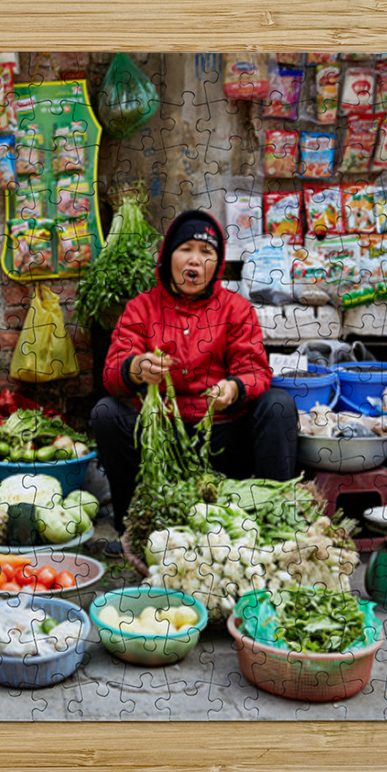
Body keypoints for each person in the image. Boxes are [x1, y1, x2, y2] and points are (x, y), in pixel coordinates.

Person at [92, 209, 298, 532]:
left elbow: (256, 371)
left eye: (206, 252)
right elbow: (112, 372)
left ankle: (276, 522)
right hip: (161, 440)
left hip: (222, 436)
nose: (194, 260)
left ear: (217, 264)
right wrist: (135, 368)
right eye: (185, 249)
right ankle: (133, 527)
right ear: (167, 256)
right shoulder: (141, 308)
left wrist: (233, 389)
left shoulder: (236, 308)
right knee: (106, 413)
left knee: (278, 404)